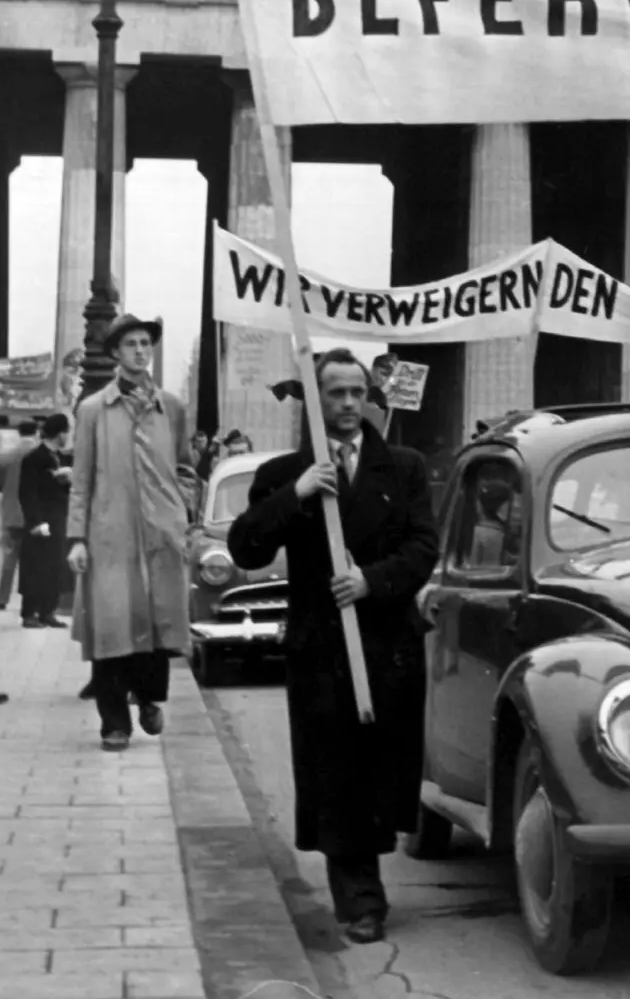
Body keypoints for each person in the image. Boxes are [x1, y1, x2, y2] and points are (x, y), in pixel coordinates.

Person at [234, 348, 437, 946]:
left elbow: (425, 547)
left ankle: (367, 879)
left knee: (382, 772)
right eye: (335, 394)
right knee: (337, 776)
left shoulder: (403, 465)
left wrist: (372, 579)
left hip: (386, 646)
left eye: (356, 393)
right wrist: (295, 493)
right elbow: (246, 547)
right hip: (322, 651)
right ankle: (360, 901)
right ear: (314, 400)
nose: (348, 404)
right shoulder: (283, 474)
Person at [67, 314, 192, 751]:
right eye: (132, 344)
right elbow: (81, 478)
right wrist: (77, 538)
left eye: (146, 343)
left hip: (161, 535)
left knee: (158, 622)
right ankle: (113, 722)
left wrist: (181, 512)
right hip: (110, 535)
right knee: (111, 625)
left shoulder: (171, 407)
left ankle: (149, 697)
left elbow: (185, 466)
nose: (141, 351)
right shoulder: (92, 411)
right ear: (115, 354)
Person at [19, 413, 73, 628]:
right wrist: (36, 522)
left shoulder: (63, 458)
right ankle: (29, 612)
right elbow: (27, 493)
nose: (67, 436)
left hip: (59, 517)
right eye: (66, 431)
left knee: (54, 565)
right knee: (35, 566)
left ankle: (47, 610)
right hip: (40, 519)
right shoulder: (34, 458)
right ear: (59, 433)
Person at [0, 419, 38, 610]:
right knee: (35, 561)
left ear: (18, 433)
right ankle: (33, 602)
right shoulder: (43, 455)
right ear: (36, 432)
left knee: (9, 560)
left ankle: (2, 600)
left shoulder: (6, 456)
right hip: (36, 516)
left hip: (11, 513)